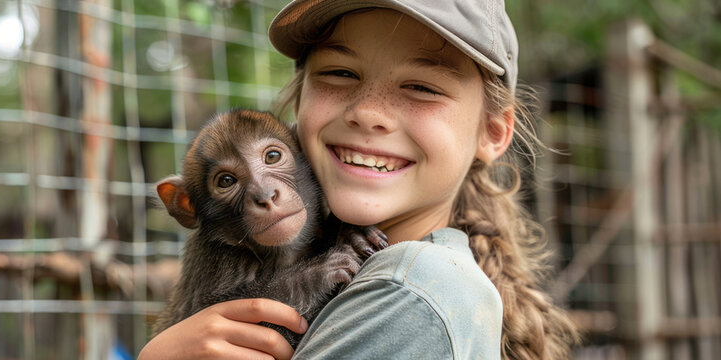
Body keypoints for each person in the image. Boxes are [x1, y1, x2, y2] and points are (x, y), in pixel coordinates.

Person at [139, 0, 578, 359]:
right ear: (298, 112)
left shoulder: (409, 293)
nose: (367, 113)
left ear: (493, 132)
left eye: (423, 86)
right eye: (340, 73)